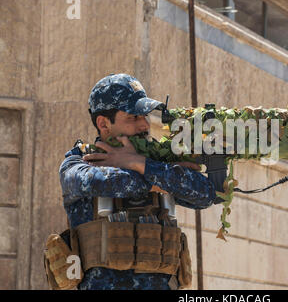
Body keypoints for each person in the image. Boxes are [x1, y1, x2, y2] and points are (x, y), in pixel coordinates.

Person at [58, 73, 216, 290]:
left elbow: (205, 194)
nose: (144, 125)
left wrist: (141, 163)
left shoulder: (154, 162)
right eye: (133, 117)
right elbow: (96, 183)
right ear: (104, 123)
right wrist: (158, 178)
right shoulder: (80, 161)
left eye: (145, 116)